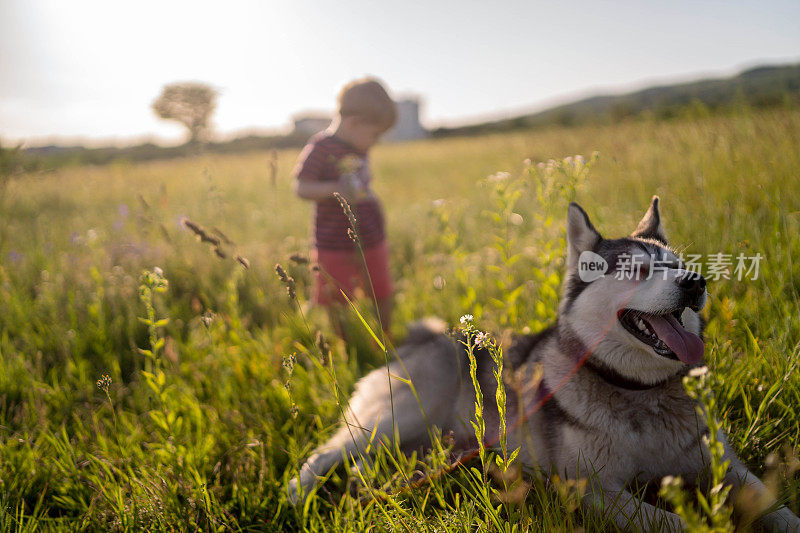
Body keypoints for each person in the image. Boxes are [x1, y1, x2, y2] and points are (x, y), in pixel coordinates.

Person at [293, 77, 397, 337]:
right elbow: (301, 187)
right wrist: (334, 189)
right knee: (336, 299)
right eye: (375, 134)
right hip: (333, 243)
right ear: (354, 123)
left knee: (381, 290)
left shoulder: (358, 146)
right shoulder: (320, 148)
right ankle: (346, 345)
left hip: (371, 236)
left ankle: (385, 339)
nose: (376, 142)